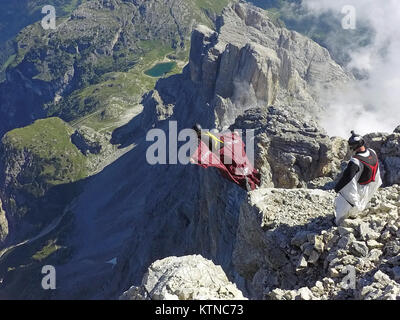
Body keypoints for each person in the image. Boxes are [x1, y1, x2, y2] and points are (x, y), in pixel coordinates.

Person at [190, 123, 261, 191]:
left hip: (222, 154)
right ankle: (257, 178)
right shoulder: (208, 133)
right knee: (242, 164)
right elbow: (221, 136)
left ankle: (251, 186)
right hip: (228, 149)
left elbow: (201, 150)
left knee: (232, 172)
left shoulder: (200, 140)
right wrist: (233, 134)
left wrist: (194, 158)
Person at [333, 131, 382, 225]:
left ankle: (339, 222)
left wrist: (337, 188)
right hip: (371, 185)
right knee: (360, 202)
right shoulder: (372, 152)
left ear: (353, 147)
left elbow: (347, 178)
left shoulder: (355, 161)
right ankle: (355, 213)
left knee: (343, 201)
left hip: (360, 187)